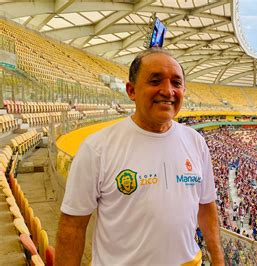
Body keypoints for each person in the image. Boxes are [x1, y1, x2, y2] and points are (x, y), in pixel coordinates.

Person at [55, 48, 224, 265]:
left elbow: (206, 205)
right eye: (155, 81)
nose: (168, 91)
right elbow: (73, 225)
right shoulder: (97, 148)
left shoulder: (196, 142)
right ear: (131, 90)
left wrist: (218, 260)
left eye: (176, 83)